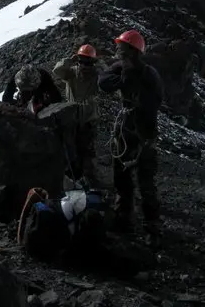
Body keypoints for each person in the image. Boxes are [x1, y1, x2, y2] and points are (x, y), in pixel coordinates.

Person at [98, 29, 164, 249]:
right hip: (125, 131)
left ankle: (152, 228)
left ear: (133, 51)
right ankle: (124, 218)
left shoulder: (149, 74)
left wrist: (131, 83)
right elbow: (104, 82)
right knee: (122, 178)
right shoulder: (122, 69)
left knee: (145, 182)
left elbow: (154, 101)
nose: (118, 51)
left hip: (143, 133)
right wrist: (124, 77)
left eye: (122, 48)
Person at [53, 44, 107, 189]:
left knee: (87, 153)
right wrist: (68, 61)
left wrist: (101, 65)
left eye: (88, 62)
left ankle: (91, 182)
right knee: (71, 152)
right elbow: (57, 71)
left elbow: (107, 81)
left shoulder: (97, 75)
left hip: (88, 120)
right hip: (71, 119)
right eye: (82, 60)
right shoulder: (71, 72)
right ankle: (74, 181)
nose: (84, 65)